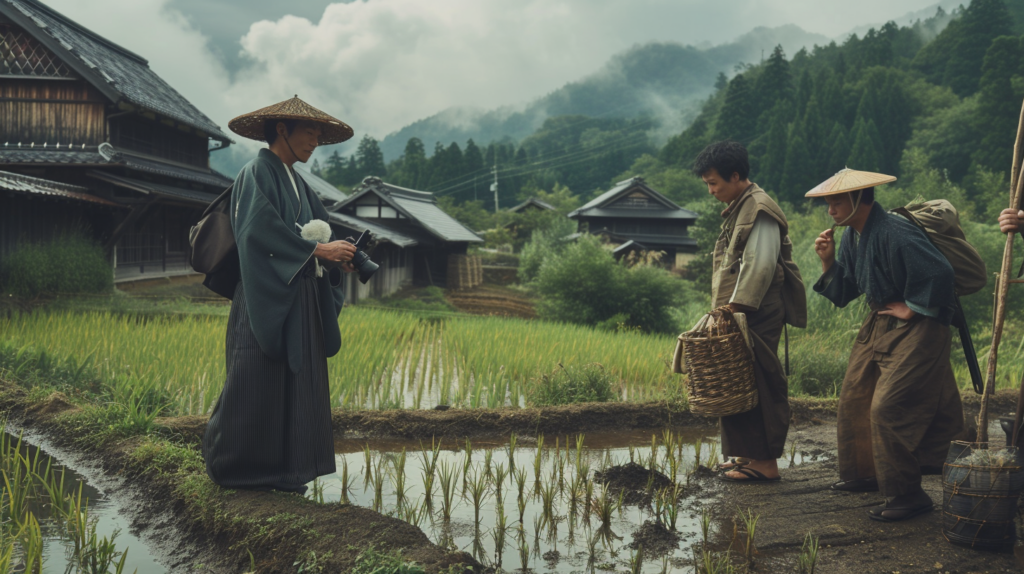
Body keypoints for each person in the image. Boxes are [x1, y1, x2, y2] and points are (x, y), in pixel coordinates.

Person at [202, 96, 357, 494]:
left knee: (296, 383)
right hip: (265, 296)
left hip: (299, 301)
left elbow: (315, 230)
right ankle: (238, 470)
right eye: (310, 131)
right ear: (283, 130)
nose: (316, 140)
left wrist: (337, 259)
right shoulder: (257, 173)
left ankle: (289, 471)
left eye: (320, 134)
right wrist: (318, 251)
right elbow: (257, 232)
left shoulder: (299, 183)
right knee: (255, 379)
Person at [809, 169, 965, 522]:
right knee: (855, 396)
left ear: (859, 199)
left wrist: (912, 306)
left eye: (835, 202)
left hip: (921, 325)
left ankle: (908, 495)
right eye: (828, 203)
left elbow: (941, 274)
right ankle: (868, 473)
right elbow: (848, 290)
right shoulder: (852, 236)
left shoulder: (895, 230)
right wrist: (828, 261)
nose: (830, 210)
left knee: (887, 407)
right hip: (880, 320)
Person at [693, 141, 807, 483]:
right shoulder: (740, 207)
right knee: (737, 381)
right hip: (740, 310)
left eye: (714, 183)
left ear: (736, 176)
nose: (712, 191)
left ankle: (764, 463)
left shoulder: (758, 209)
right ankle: (745, 456)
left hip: (755, 309)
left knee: (759, 382)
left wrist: (734, 307)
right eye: (708, 185)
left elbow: (759, 267)